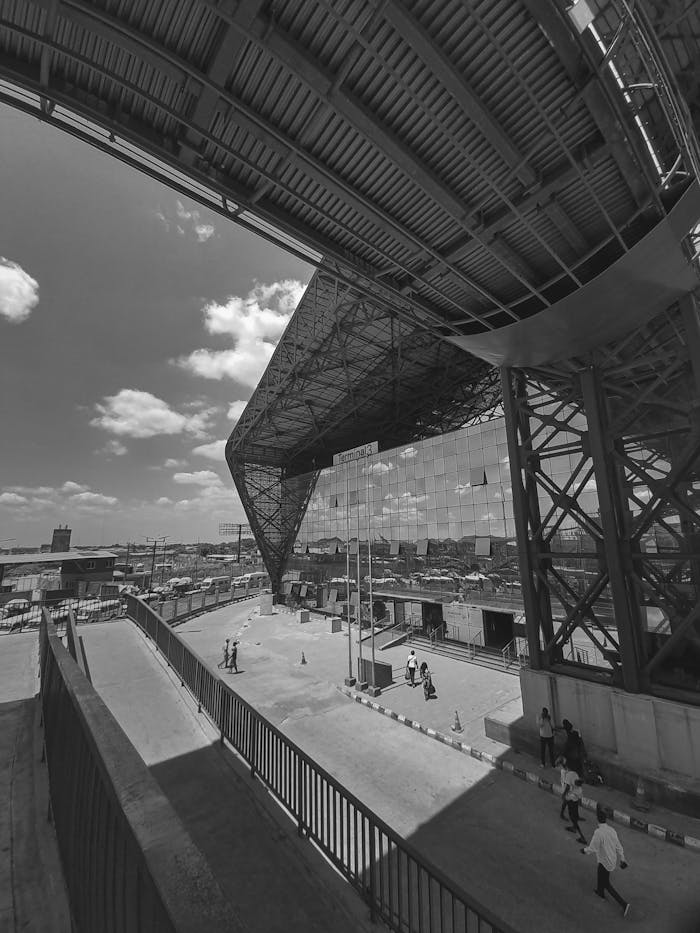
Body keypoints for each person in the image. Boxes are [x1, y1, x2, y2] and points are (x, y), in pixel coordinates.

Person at [581, 810, 630, 917]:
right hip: (612, 859)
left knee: (606, 883)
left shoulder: (598, 833)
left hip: (604, 862)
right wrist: (622, 859)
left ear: (597, 819)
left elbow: (592, 848)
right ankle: (600, 892)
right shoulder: (612, 830)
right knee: (600, 874)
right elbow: (619, 846)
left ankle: (624, 904)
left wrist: (584, 850)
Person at [563, 772, 587, 844]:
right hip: (573, 803)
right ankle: (574, 827)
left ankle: (582, 837)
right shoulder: (575, 784)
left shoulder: (578, 790)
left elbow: (578, 799)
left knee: (573, 819)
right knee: (573, 816)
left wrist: (565, 795)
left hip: (572, 803)